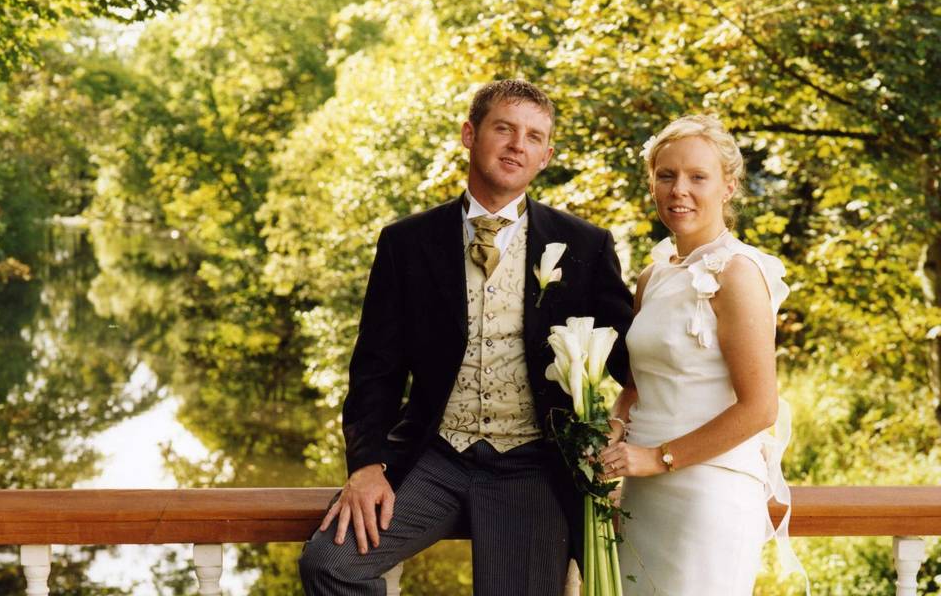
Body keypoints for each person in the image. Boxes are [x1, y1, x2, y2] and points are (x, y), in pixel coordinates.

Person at [299, 79, 634, 595]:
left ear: (546, 155)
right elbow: (376, 371)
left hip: (533, 466)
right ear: (469, 135)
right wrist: (366, 465)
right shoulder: (406, 242)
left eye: (533, 136)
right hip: (434, 458)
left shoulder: (584, 244)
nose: (517, 144)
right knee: (331, 562)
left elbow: (631, 361)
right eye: (504, 129)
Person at [601, 115, 807, 594]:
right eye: (666, 175)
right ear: (651, 183)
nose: (679, 190)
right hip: (640, 491)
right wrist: (610, 435)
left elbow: (760, 408)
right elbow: (636, 386)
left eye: (698, 177)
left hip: (707, 494)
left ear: (728, 187)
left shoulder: (738, 274)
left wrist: (659, 458)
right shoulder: (653, 276)